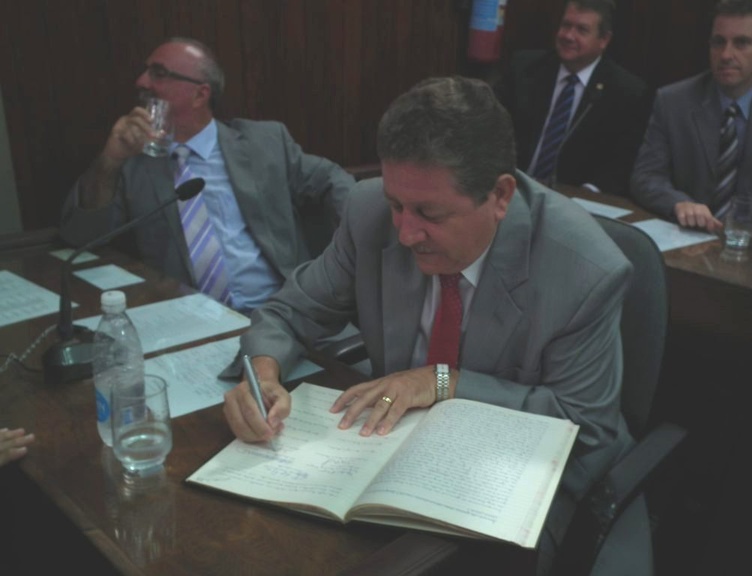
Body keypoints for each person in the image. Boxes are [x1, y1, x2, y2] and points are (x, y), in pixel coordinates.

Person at [223, 76, 650, 575]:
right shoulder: (367, 212)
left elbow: (583, 423)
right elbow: (289, 311)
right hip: (393, 459)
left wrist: (442, 381)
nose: (406, 233)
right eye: (397, 205)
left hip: (527, 480)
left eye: (429, 213)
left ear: (500, 195)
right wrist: (262, 374)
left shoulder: (583, 271)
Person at [60, 37, 355, 315]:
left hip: (283, 309)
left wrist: (365, 232)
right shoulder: (133, 162)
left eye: (158, 73)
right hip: (190, 319)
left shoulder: (264, 142)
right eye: (145, 71)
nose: (142, 82)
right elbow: (80, 237)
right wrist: (110, 159)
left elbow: (333, 180)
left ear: (200, 94)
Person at [630, 0, 752, 233]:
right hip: (688, 239)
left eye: (741, 43)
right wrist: (678, 203)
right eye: (718, 42)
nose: (726, 55)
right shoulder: (674, 101)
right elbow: (646, 176)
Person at [493, 0, 649, 196]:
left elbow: (620, 165)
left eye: (581, 30)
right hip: (512, 188)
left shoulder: (626, 92)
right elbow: (492, 126)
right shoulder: (525, 68)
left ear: (604, 40)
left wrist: (584, 196)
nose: (568, 36)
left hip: (575, 200)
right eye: (566, 25)